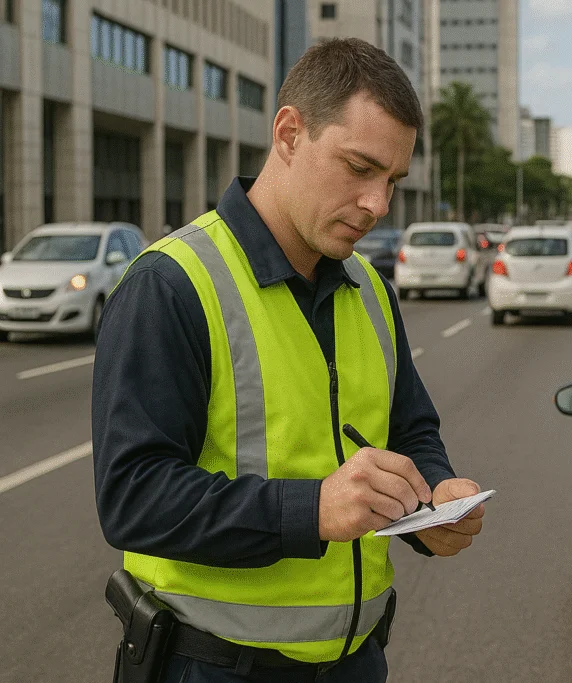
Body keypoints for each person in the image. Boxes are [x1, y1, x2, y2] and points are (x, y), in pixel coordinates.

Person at [92, 38, 485, 683]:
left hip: (358, 661)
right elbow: (132, 498)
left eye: (391, 180)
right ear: (289, 133)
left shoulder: (370, 289)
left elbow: (410, 431)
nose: (378, 205)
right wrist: (311, 511)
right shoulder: (171, 285)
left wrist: (433, 502)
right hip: (212, 664)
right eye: (359, 167)